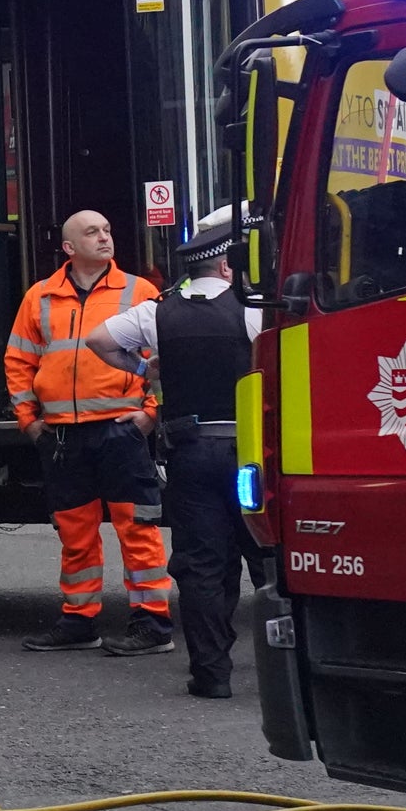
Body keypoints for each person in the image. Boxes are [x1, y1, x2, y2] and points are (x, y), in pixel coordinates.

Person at [86, 207, 257, 699]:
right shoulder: (251, 308)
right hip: (250, 451)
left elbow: (98, 340)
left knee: (202, 565)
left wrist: (145, 369)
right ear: (227, 265)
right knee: (265, 560)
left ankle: (212, 675)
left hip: (190, 449)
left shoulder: (158, 310)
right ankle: (282, 670)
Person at [8, 209, 170, 656]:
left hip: (120, 430)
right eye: (92, 232)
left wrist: (150, 414)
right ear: (69, 248)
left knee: (138, 528)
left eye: (107, 229)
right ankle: (79, 620)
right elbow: (19, 361)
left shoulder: (140, 291)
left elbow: (167, 359)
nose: (104, 237)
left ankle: (153, 624)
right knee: (75, 533)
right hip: (62, 435)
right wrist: (29, 420)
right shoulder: (40, 297)